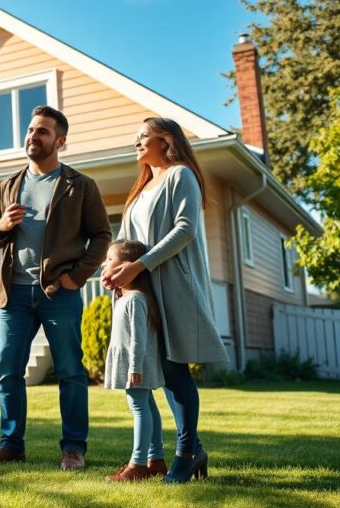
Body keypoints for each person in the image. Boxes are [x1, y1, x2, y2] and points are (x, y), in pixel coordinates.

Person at [0, 105, 111, 470]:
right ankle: (10, 444)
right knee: (8, 371)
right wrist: (2, 225)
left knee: (70, 371)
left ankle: (73, 449)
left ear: (60, 141)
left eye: (43, 131)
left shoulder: (80, 186)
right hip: (13, 294)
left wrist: (75, 277)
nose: (33, 136)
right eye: (31, 130)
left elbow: (101, 236)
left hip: (58, 292)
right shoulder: (8, 186)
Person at [103, 117, 229, 484]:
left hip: (173, 286)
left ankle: (188, 451)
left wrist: (137, 266)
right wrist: (113, 271)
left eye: (142, 136)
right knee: (149, 376)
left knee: (175, 372)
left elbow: (185, 228)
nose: (136, 143)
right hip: (142, 291)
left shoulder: (181, 176)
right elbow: (124, 243)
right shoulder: (140, 191)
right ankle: (152, 458)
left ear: (166, 139)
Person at [101, 240, 167, 482]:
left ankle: (138, 464)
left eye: (109, 259)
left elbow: (139, 339)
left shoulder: (137, 299)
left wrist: (134, 367)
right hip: (134, 364)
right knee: (147, 405)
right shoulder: (125, 297)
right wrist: (113, 286)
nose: (103, 263)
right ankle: (156, 459)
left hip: (136, 364)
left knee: (139, 407)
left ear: (126, 267)